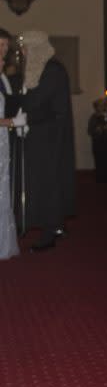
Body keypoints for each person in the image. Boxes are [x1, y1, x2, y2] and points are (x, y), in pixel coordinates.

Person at [5, 31, 76, 252]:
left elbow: (45, 105)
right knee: (40, 181)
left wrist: (22, 118)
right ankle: (51, 224)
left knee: (49, 181)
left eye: (26, 48)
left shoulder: (52, 69)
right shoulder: (35, 69)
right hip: (37, 136)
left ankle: (50, 231)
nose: (23, 53)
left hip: (49, 137)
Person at [0, 52, 24, 260]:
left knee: (3, 189)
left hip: (3, 142)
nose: (2, 61)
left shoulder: (4, 80)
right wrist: (10, 122)